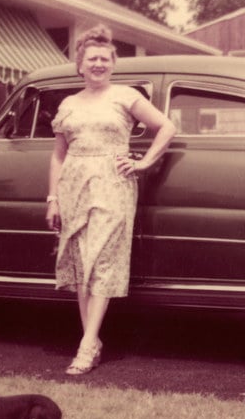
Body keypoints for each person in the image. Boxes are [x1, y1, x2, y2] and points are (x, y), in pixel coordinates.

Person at [46, 25, 176, 375]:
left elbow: (167, 127)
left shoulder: (125, 96)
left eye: (105, 59)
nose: (99, 64)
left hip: (112, 184)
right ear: (80, 64)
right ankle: (91, 340)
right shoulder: (68, 104)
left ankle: (87, 345)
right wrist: (53, 198)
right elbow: (58, 155)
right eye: (92, 59)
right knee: (80, 262)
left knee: (102, 259)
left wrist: (143, 162)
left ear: (113, 64)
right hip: (73, 185)